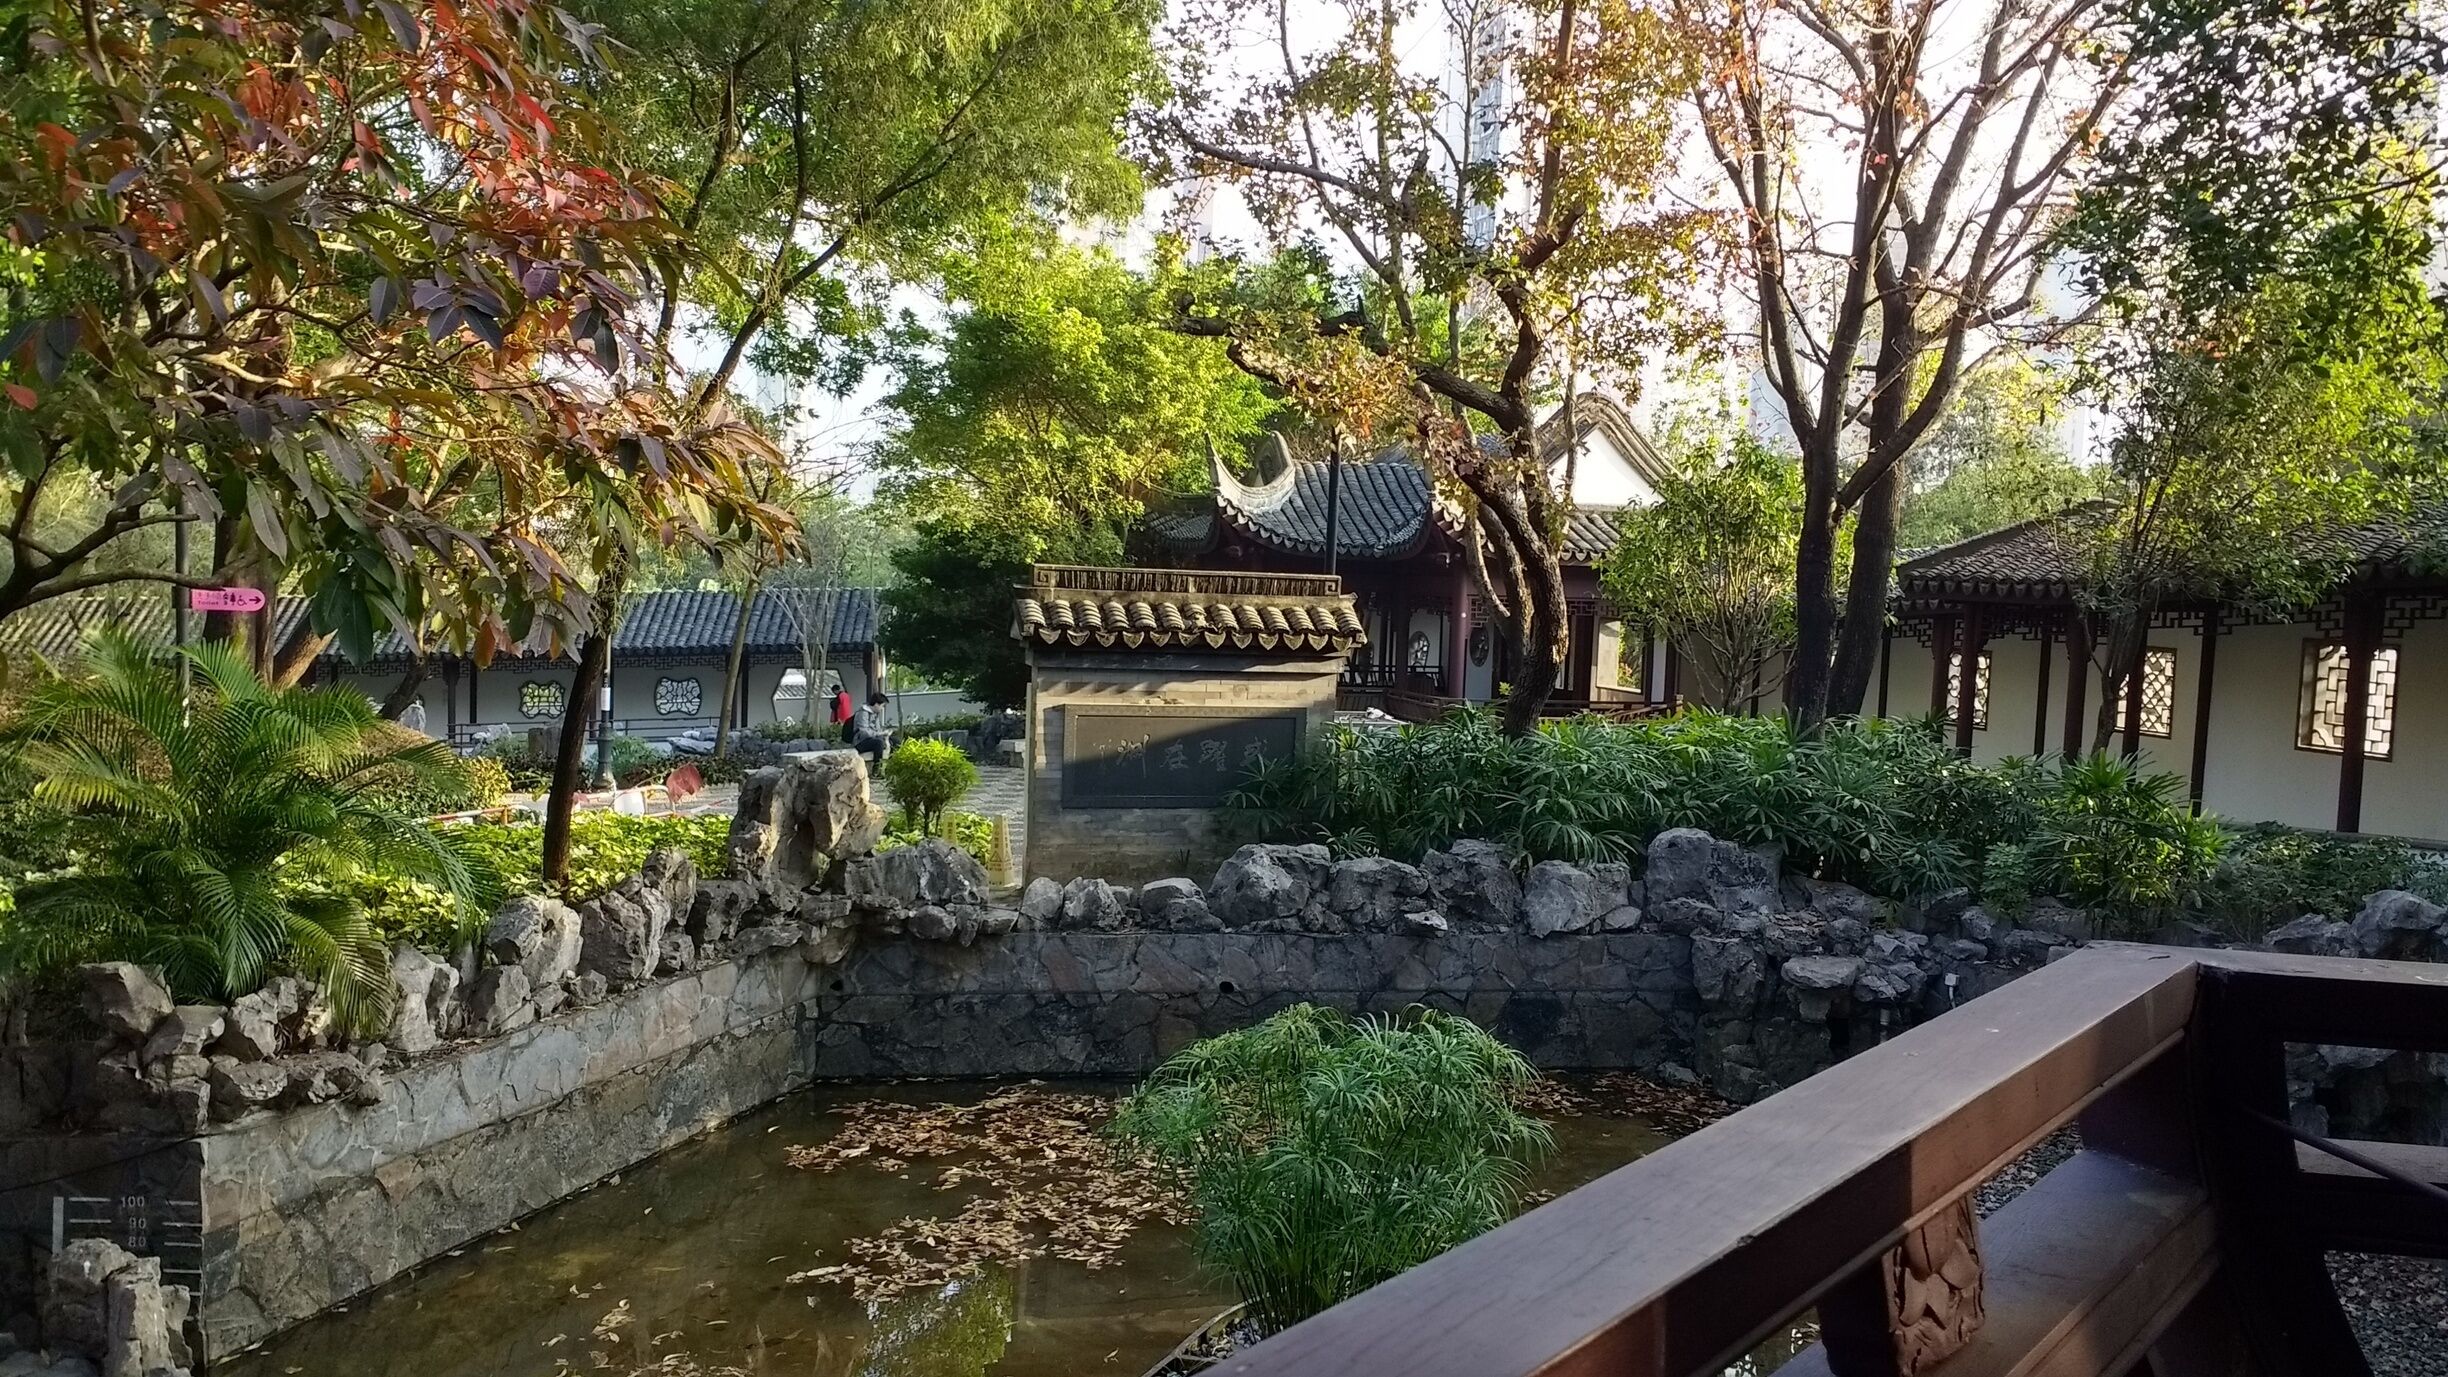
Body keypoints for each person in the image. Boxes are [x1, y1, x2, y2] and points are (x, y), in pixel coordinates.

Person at [851, 690, 893, 763]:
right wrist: (880, 734)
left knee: (894, 741)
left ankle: (891, 765)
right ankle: (877, 769)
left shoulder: (874, 714)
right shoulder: (862, 713)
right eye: (882, 706)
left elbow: (877, 730)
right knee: (878, 743)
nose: (882, 709)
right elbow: (864, 732)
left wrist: (884, 733)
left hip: (872, 738)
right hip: (860, 741)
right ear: (876, 704)